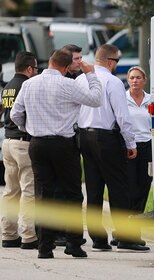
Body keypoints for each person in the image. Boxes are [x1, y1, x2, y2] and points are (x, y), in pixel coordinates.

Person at [10, 48, 102, 259]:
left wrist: (28, 128)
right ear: (66, 67)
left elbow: (15, 113)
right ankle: (73, 243)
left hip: (38, 143)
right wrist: (90, 74)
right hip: (63, 144)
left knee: (43, 195)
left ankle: (45, 247)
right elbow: (96, 99)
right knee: (72, 194)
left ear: (50, 62)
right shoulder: (68, 84)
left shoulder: (29, 84)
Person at [77, 44, 149, 252]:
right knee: (119, 188)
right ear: (110, 62)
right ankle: (125, 237)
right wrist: (131, 143)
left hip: (85, 135)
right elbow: (122, 116)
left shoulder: (81, 79)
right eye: (116, 62)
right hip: (106, 138)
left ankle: (98, 239)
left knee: (93, 188)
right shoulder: (113, 81)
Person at [1, 51, 38, 250]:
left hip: (8, 142)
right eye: (36, 69)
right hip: (23, 142)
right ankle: (29, 236)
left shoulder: (7, 87)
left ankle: (8, 234)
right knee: (28, 191)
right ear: (30, 68)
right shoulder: (26, 86)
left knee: (10, 191)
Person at [52, 44, 86, 247]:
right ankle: (60, 233)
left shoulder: (73, 80)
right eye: (76, 59)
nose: (80, 62)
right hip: (61, 139)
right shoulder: (65, 83)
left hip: (68, 138)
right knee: (61, 190)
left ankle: (62, 232)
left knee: (63, 189)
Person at [123, 66, 153, 246]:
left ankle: (136, 229)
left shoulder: (151, 100)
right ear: (128, 80)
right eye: (132, 78)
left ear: (144, 80)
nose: (135, 81)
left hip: (147, 146)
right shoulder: (123, 99)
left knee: (144, 187)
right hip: (128, 146)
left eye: (138, 78)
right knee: (129, 189)